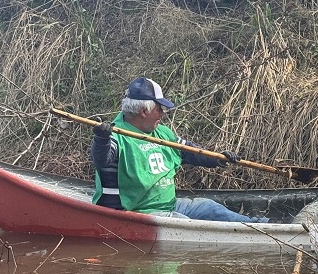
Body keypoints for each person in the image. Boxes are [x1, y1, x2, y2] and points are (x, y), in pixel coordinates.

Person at [91, 76, 266, 223]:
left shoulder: (161, 132)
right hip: (139, 212)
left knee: (209, 208)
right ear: (144, 111)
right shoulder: (115, 136)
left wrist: (217, 158)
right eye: (159, 108)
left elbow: (187, 150)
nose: (163, 113)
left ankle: (261, 225)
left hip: (168, 204)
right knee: (183, 221)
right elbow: (102, 158)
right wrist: (101, 139)